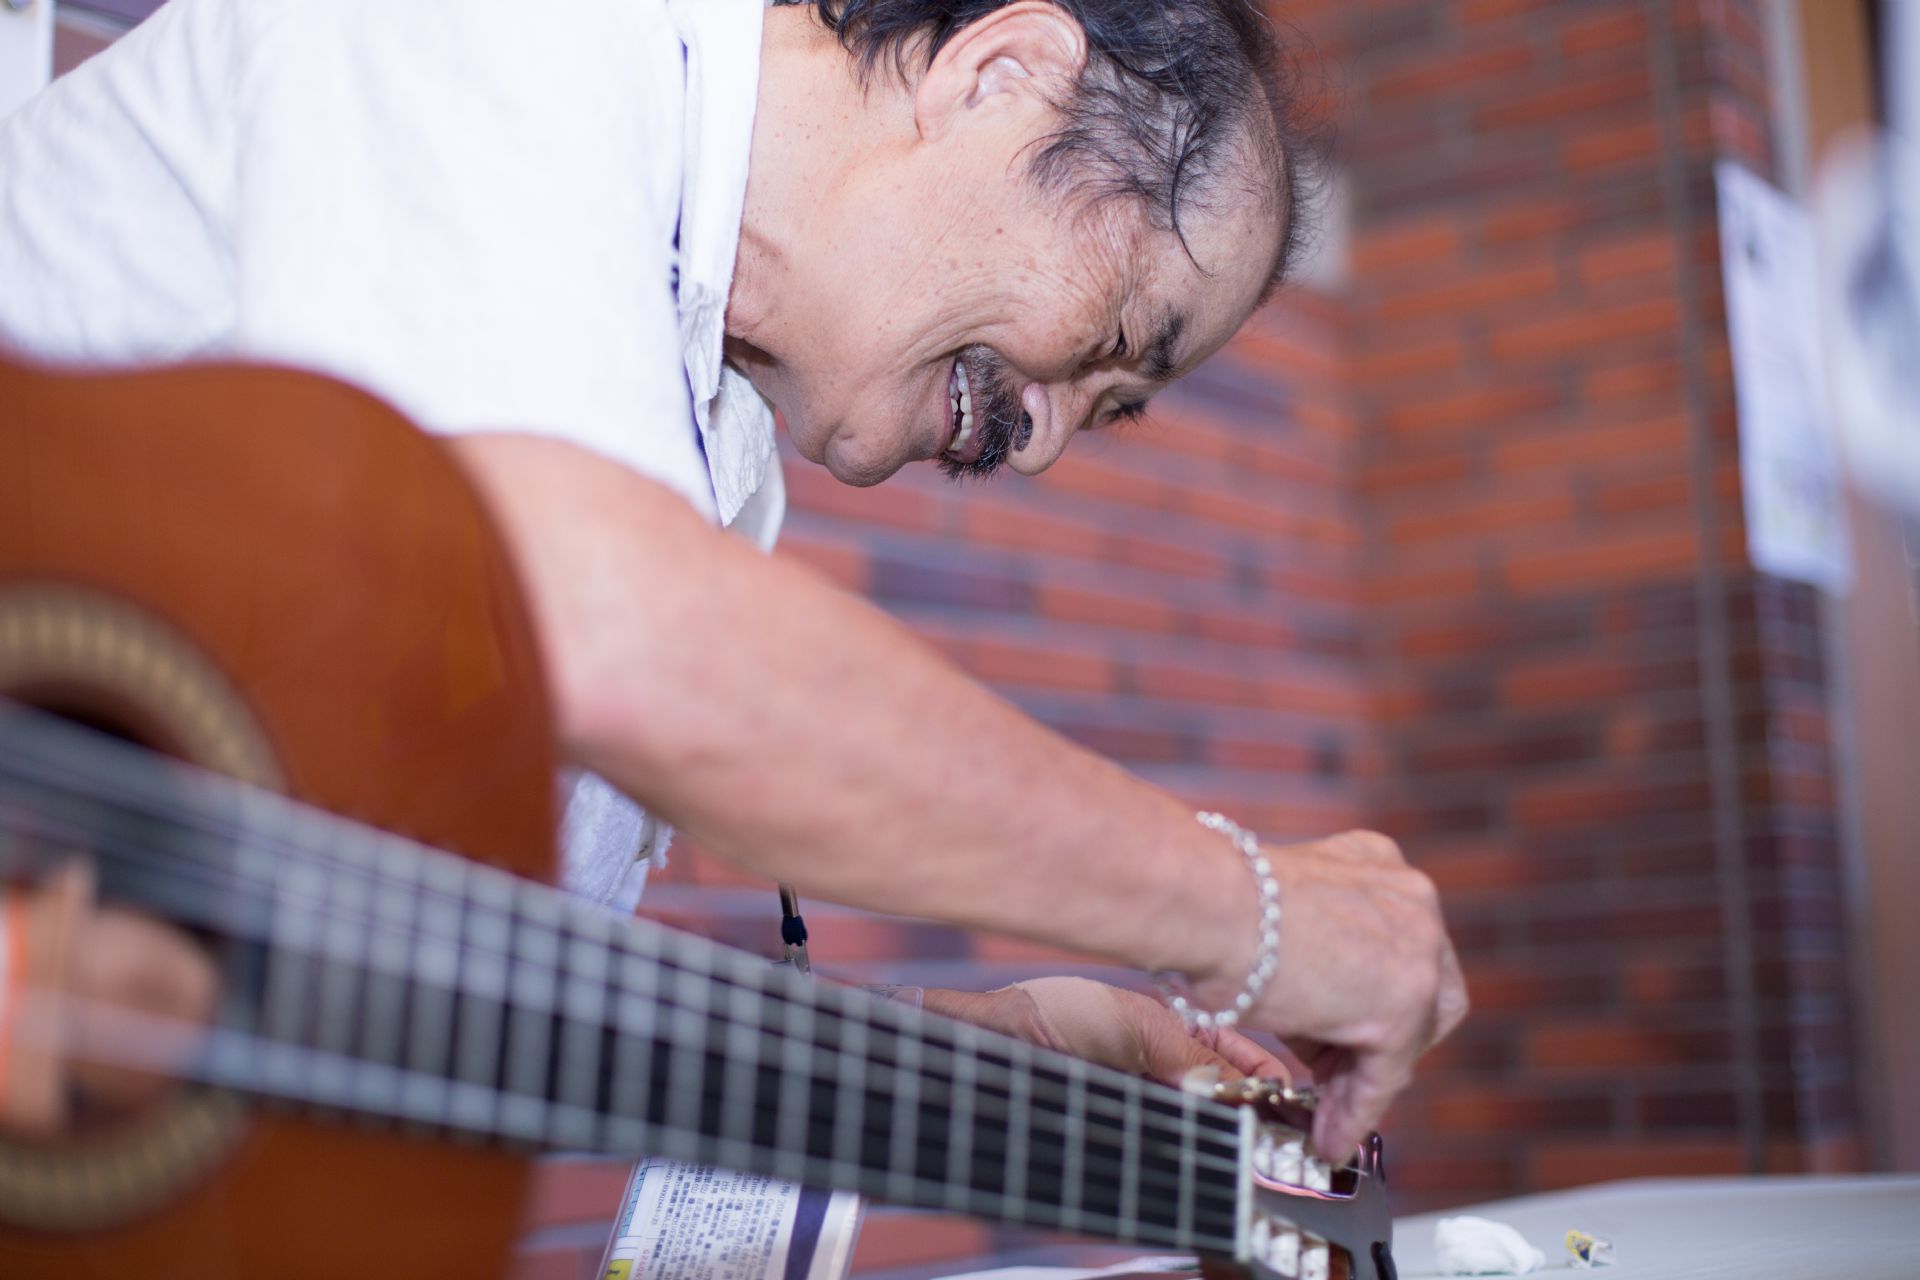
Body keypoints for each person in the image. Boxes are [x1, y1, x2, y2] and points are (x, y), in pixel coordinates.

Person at [0, 0, 1466, 1157]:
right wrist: (1254, 915)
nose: (1041, 445)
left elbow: (449, 1008)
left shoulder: (705, 431)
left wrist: (999, 1047)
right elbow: (607, 637)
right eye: (1115, 341)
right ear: (1002, 74)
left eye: (1113, 410)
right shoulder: (513, 34)